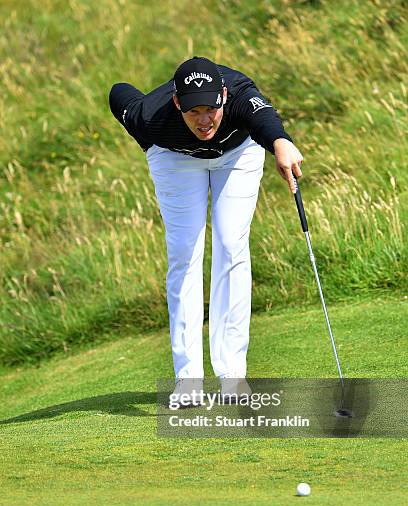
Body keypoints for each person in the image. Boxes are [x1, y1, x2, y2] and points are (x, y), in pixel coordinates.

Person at [109, 56, 303, 403]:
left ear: (224, 96)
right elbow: (118, 93)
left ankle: (232, 376)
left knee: (231, 244)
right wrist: (149, 144)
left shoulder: (241, 94)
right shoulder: (151, 116)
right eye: (193, 111)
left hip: (238, 153)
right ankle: (188, 381)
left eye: (210, 109)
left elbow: (265, 119)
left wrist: (281, 143)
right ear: (176, 103)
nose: (203, 121)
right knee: (185, 252)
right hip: (175, 158)